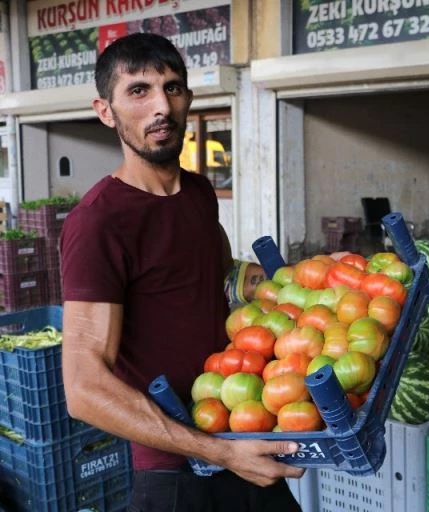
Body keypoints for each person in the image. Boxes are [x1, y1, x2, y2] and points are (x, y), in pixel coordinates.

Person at [59, 33, 304, 512]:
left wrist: (302, 287)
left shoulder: (197, 191)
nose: (161, 107)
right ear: (105, 110)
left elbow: (215, 275)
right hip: (175, 466)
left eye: (172, 88)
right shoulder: (99, 222)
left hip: (238, 419)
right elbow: (84, 388)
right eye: (138, 91)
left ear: (189, 99)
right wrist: (219, 452)